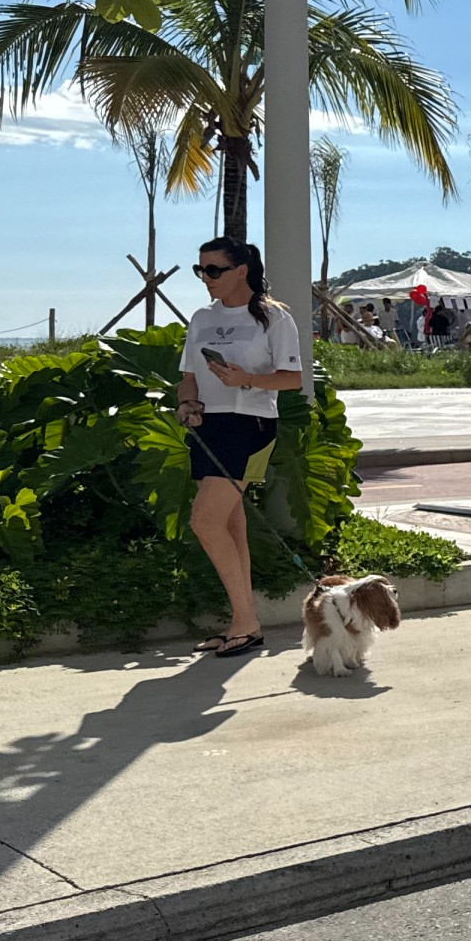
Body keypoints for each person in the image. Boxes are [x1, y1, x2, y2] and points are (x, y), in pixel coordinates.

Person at [175, 237, 305, 658]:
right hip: (208, 425)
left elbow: (292, 379)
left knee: (204, 521)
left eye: (214, 270)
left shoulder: (273, 318)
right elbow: (189, 374)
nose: (205, 279)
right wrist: (187, 402)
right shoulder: (201, 318)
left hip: (250, 425)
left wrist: (245, 380)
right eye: (201, 271)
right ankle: (242, 622)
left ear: (241, 271)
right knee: (230, 525)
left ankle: (246, 621)